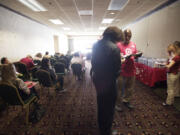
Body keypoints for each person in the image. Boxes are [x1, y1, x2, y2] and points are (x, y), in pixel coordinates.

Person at [91, 26, 123, 135]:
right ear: (115, 36)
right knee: (109, 107)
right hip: (109, 82)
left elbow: (93, 63)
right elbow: (117, 71)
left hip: (98, 79)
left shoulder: (95, 45)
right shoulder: (114, 48)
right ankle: (106, 131)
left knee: (101, 103)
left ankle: (101, 127)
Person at [116, 29, 142, 111]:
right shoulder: (118, 45)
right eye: (126, 35)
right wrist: (123, 57)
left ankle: (126, 101)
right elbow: (116, 58)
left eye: (129, 36)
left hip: (131, 70)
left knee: (129, 88)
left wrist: (137, 55)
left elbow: (134, 55)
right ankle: (117, 104)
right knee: (119, 89)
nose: (127, 37)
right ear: (123, 35)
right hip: (121, 70)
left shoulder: (133, 44)